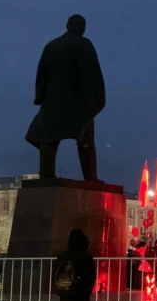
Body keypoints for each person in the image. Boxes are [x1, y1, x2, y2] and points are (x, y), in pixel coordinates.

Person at [26, 15, 106, 181]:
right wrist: (97, 100)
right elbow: (93, 74)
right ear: (83, 28)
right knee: (85, 140)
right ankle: (91, 178)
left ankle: (46, 175)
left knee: (49, 138)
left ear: (67, 25)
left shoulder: (52, 45)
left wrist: (40, 97)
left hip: (53, 101)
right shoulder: (84, 44)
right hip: (80, 103)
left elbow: (41, 74)